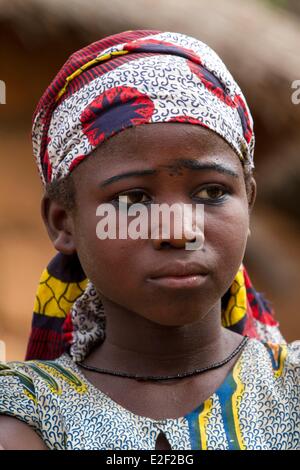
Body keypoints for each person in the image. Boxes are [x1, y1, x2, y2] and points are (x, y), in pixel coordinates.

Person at [0, 29, 299, 450]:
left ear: (247, 201)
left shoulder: (291, 394)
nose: (178, 231)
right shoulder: (26, 416)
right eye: (133, 198)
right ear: (63, 222)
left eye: (212, 192)